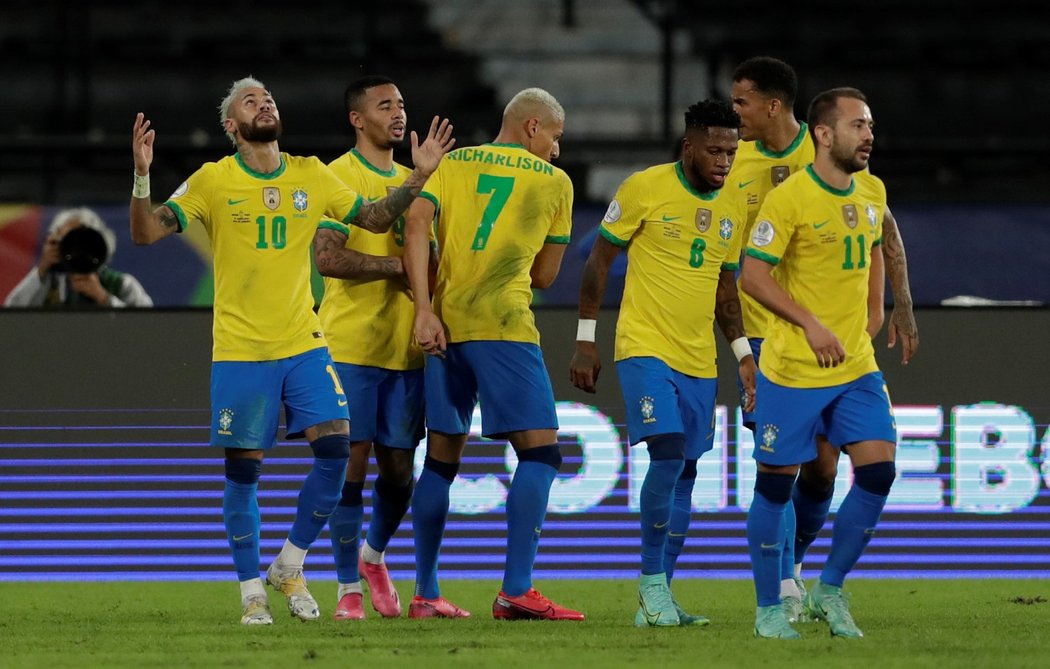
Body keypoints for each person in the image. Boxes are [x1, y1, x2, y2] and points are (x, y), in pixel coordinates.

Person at [129, 76, 453, 626]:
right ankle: (252, 591)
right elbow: (144, 234)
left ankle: (290, 561)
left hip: (304, 343)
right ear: (232, 126)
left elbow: (373, 217)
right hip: (241, 350)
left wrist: (419, 176)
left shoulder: (311, 174)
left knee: (335, 454)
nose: (265, 103)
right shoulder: (213, 180)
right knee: (244, 473)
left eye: (269, 97)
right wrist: (142, 175)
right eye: (249, 101)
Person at [728, 56, 919, 621]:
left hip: (854, 365)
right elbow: (752, 273)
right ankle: (771, 604)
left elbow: (880, 242)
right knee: (779, 484)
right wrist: (809, 324)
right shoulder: (788, 199)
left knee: (879, 469)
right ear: (824, 132)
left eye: (871, 126)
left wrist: (885, 308)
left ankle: (829, 589)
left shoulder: (872, 190)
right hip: (789, 364)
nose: (869, 135)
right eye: (859, 125)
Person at [569, 100, 755, 627]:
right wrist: (587, 339)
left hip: (700, 358)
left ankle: (662, 597)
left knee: (688, 472)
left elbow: (725, 288)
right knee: (668, 456)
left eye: (732, 152)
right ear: (689, 145)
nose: (724, 160)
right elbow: (599, 260)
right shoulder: (644, 188)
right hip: (644, 346)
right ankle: (650, 582)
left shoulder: (734, 206)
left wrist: (743, 355)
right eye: (715, 150)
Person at [403, 87, 583, 621]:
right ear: (532, 127)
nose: (556, 150)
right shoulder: (554, 182)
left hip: (445, 325)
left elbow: (415, 226)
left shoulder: (454, 165)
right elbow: (547, 275)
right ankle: (516, 589)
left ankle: (426, 592)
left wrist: (423, 309)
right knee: (542, 454)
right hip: (504, 324)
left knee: (439, 460)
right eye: (555, 136)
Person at [314, 75, 430, 621]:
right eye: (385, 105)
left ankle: (373, 557)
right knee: (349, 467)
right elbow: (328, 259)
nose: (398, 113)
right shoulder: (339, 174)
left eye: (402, 104)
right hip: (351, 345)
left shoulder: (420, 178)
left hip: (406, 351)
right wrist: (397, 266)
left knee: (401, 471)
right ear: (358, 119)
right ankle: (346, 590)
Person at [5, 207, 153, 308]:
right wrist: (41, 271)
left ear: (101, 244)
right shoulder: (48, 282)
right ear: (55, 243)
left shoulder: (122, 284)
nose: (78, 250)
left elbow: (148, 326)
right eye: (69, 242)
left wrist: (104, 298)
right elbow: (11, 315)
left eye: (84, 243)